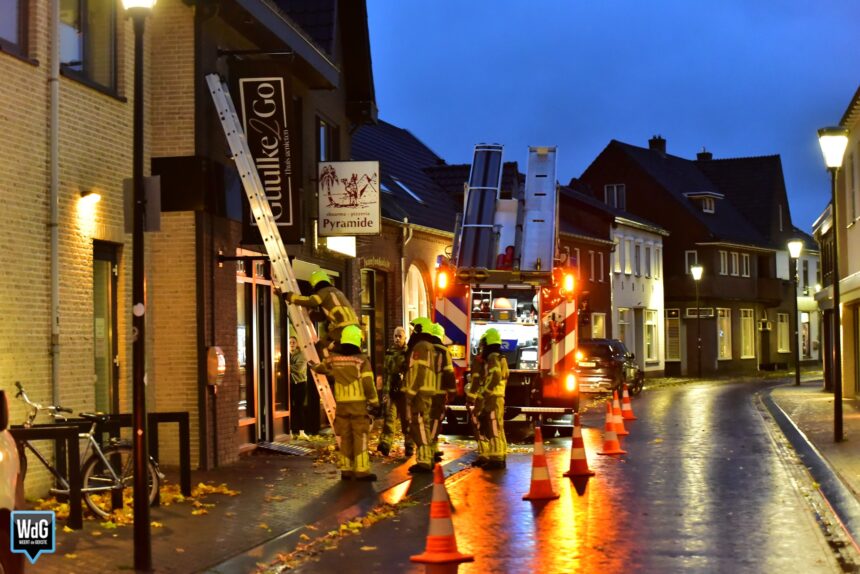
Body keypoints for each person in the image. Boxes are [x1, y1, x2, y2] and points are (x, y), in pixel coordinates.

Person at [310, 325, 380, 481]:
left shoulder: (334, 359)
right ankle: (361, 470)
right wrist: (375, 402)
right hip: (358, 406)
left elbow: (321, 368)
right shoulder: (361, 360)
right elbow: (368, 383)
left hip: (341, 406)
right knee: (360, 436)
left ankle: (346, 469)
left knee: (345, 436)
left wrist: (313, 366)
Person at [285, 269, 359, 352]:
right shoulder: (337, 292)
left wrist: (290, 296)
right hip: (355, 328)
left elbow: (312, 301)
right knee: (346, 350)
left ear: (314, 284)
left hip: (343, 327)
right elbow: (324, 316)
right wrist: (311, 314)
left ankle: (326, 364)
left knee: (321, 345)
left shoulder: (324, 291)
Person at [404, 317, 437, 473]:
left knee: (419, 425)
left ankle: (424, 461)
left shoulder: (421, 347)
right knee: (424, 424)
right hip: (426, 390)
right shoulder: (429, 346)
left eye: (415, 329)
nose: (412, 332)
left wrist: (410, 392)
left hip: (420, 392)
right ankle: (427, 458)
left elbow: (419, 371)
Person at [377, 326, 413, 457]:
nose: (397, 339)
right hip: (391, 391)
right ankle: (385, 445)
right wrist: (385, 393)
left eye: (400, 336)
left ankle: (409, 446)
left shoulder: (409, 353)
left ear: (405, 338)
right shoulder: (389, 352)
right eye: (395, 336)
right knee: (389, 418)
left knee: (406, 420)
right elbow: (386, 373)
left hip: (404, 392)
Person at [479, 328, 508, 470]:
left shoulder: (492, 357)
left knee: (493, 426)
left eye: (484, 343)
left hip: (493, 397)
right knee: (499, 426)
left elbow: (495, 375)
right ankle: (500, 454)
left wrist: (486, 391)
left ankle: (496, 457)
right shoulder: (501, 357)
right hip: (499, 397)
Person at [428, 323, 456, 463]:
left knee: (427, 420)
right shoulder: (443, 351)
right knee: (435, 420)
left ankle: (433, 448)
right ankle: (430, 447)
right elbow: (449, 373)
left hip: (424, 392)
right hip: (438, 392)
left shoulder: (424, 349)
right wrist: (452, 391)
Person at [465, 333, 489, 467]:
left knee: (478, 425)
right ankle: (493, 453)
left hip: (479, 399)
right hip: (491, 398)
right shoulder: (495, 360)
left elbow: (475, 381)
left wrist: (470, 398)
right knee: (491, 427)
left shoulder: (478, 361)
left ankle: (484, 454)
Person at [288, 336, 310, 440]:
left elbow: (299, 368)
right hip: (289, 384)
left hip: (300, 384)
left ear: (297, 344)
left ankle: (301, 432)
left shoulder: (302, 355)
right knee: (290, 408)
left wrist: (286, 366)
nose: (292, 344)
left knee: (299, 408)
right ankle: (290, 431)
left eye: (293, 342)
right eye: (290, 342)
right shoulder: (285, 354)